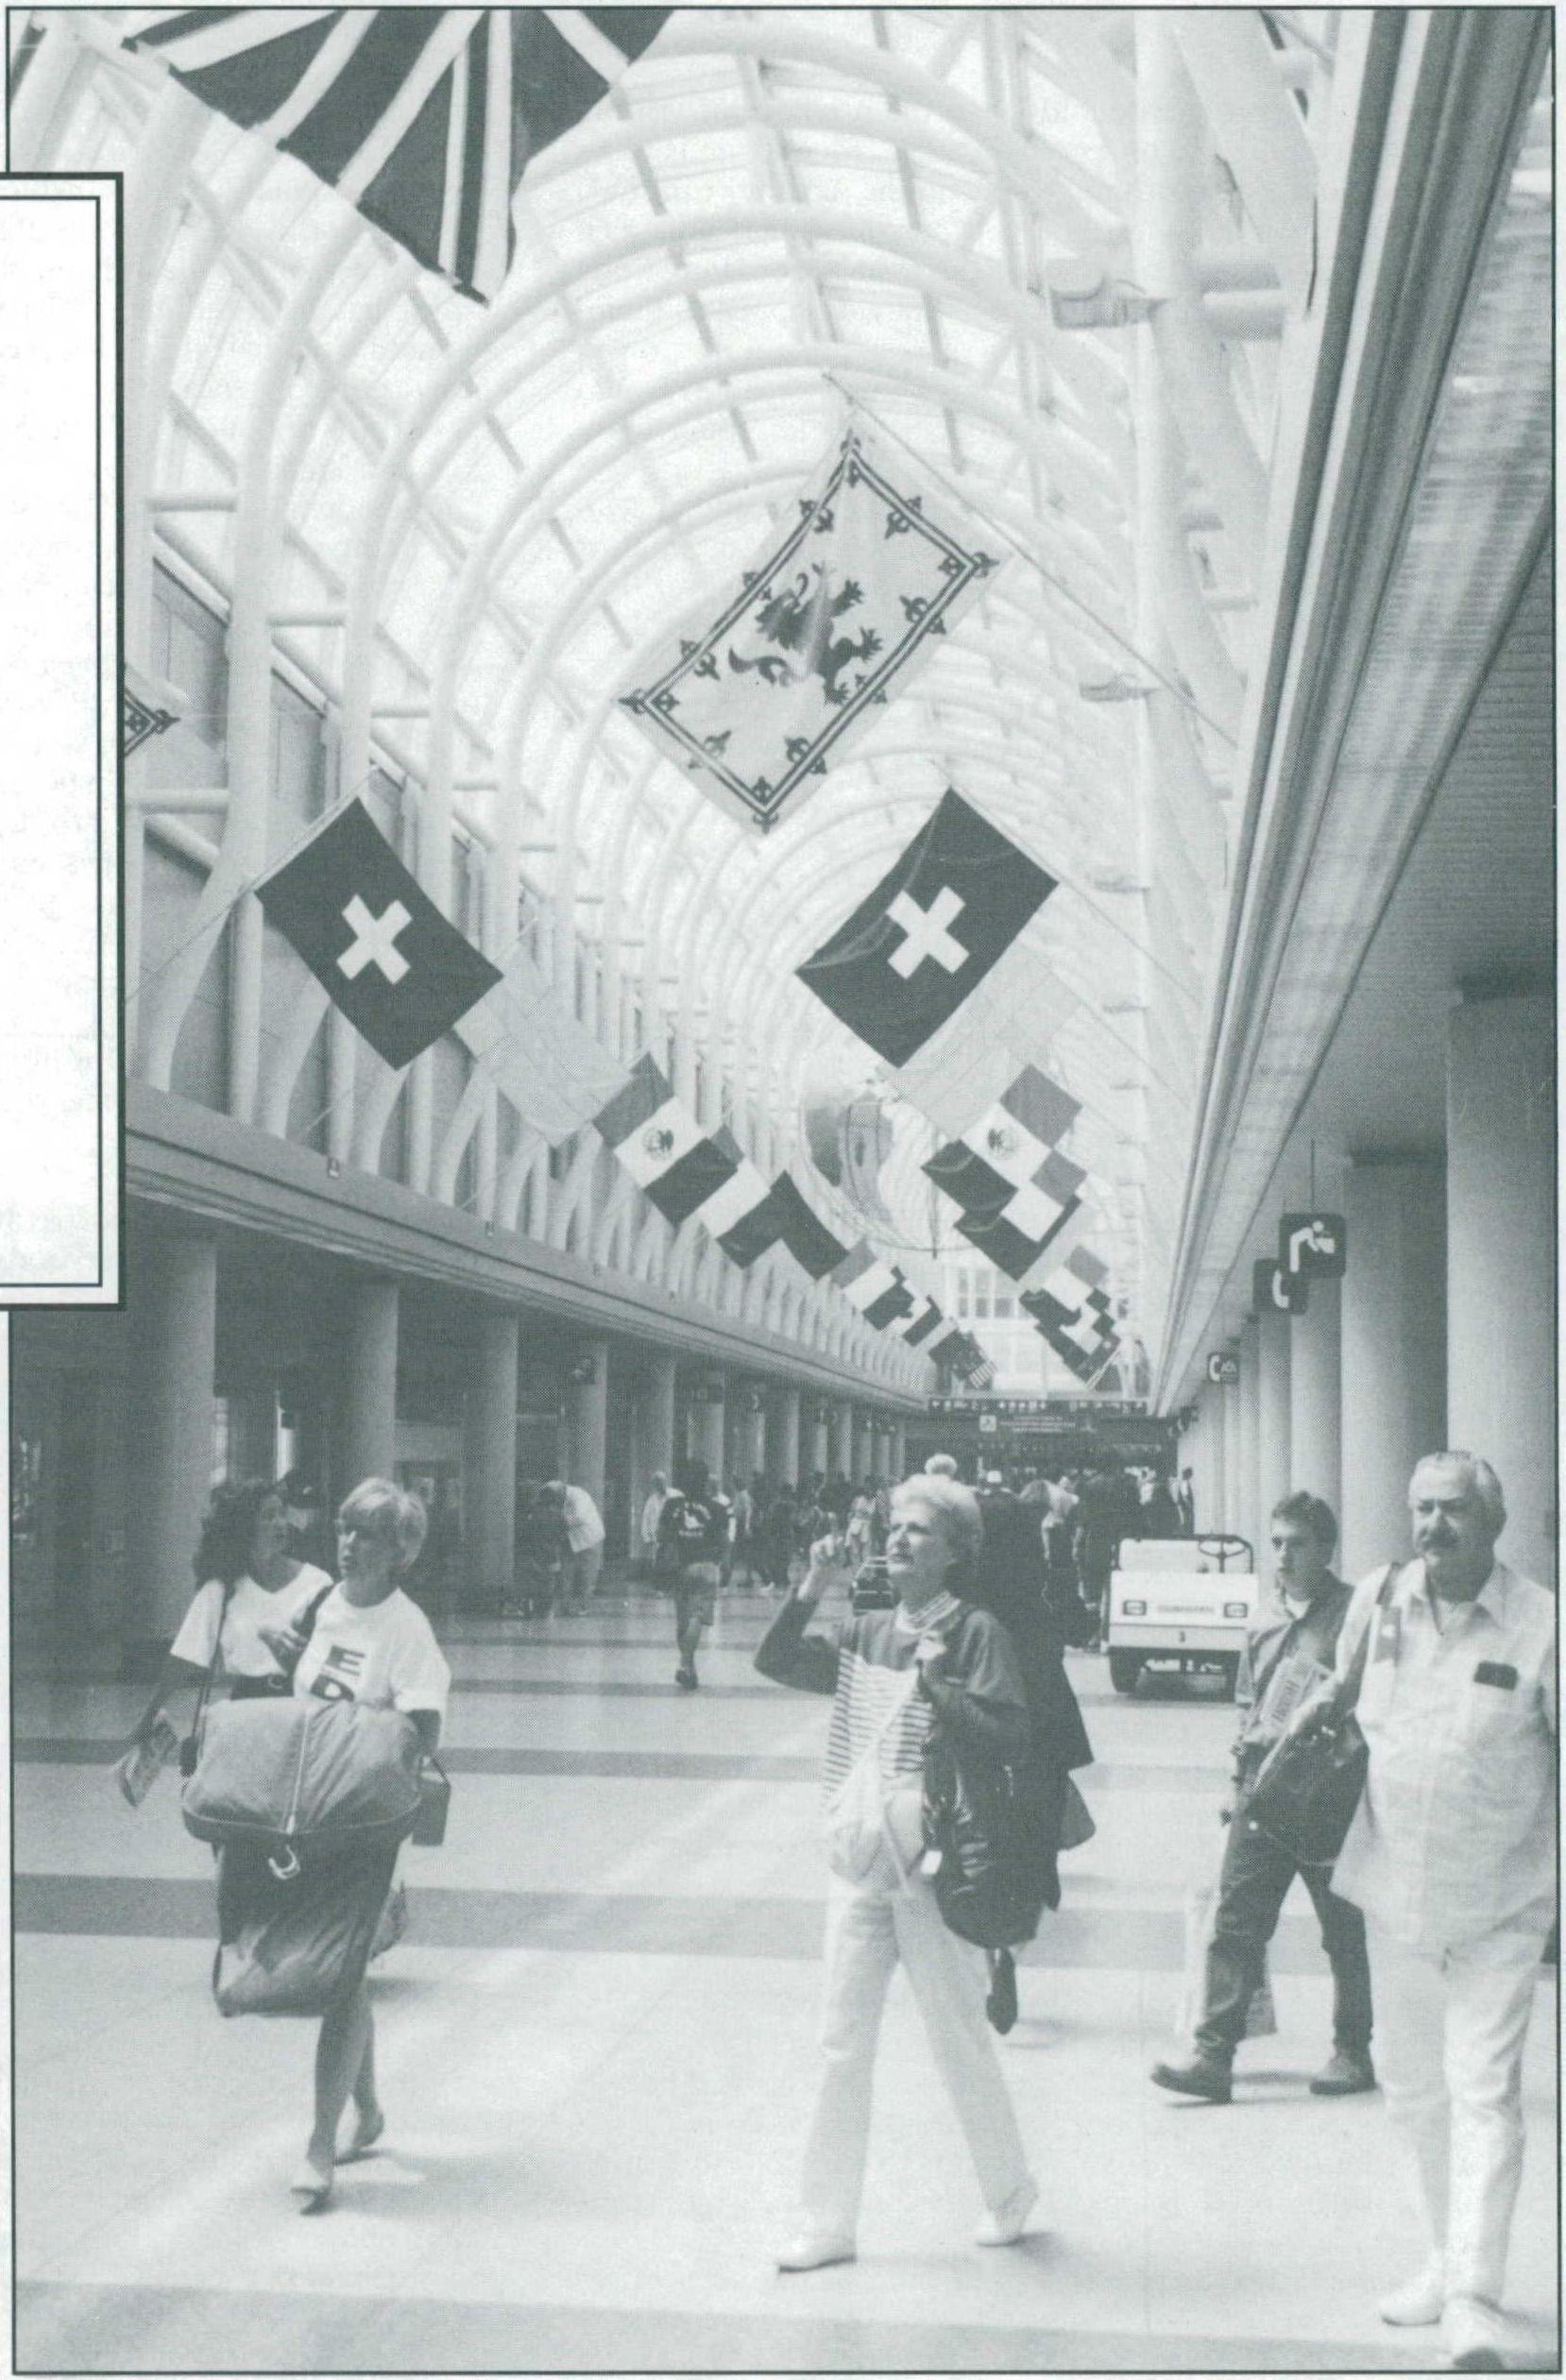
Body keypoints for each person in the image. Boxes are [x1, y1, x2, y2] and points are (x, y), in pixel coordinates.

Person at [755, 1473, 1038, 2270]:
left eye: (919, 1530)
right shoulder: (867, 1631)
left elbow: (1010, 1733)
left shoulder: (977, 1632)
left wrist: (935, 1688)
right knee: (840, 2040)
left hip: (934, 1862)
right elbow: (777, 1660)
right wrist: (813, 1585)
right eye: (895, 1528)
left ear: (955, 1552)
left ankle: (1009, 2189)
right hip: (860, 1855)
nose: (899, 1539)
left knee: (956, 2037)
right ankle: (827, 2221)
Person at [1326, 1454, 1555, 2371]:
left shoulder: (1542, 1625)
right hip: (1392, 1893)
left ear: (1493, 1522)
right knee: (1412, 2088)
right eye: (1421, 1509)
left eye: (1453, 1510)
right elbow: (1340, 1707)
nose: (1432, 1527)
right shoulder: (1377, 1602)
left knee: (1483, 2095)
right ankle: (1442, 2257)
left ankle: (1473, 2299)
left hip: (1501, 1903)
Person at [247, 1478, 451, 2213]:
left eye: (366, 1533)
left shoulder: (407, 1629)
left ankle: (318, 2145)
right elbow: (308, 1687)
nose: (348, 1543)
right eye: (344, 1528)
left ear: (400, 1551)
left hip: (364, 1824)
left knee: (340, 1974)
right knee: (347, 1974)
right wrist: (288, 1659)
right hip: (308, 1814)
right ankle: (367, 2110)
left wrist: (375, 1734)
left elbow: (423, 1732)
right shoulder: (321, 1604)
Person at [1150, 1492, 1374, 2106]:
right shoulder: (1262, 1620)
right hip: (1264, 1795)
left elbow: (1371, 1702)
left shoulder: (1354, 1616)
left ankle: (1353, 2049)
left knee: (1342, 1931)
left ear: (1326, 1549)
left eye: (1296, 1543)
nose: (1283, 1555)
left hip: (1328, 1797)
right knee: (1236, 1923)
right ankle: (1212, 2056)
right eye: (1276, 1542)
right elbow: (1247, 1706)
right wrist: (1236, 1785)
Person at [126, 1480, 333, 1753]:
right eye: (268, 1516)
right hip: (244, 1712)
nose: (280, 1523)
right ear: (244, 1526)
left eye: (282, 1513)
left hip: (301, 1708)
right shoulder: (222, 1589)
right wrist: (149, 1714)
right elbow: (184, 1656)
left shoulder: (317, 1583)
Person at [656, 1458, 728, 1690]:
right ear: (705, 1481)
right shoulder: (717, 1508)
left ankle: (689, 1668)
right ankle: (685, 1664)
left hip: (680, 1567)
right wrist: (725, 1566)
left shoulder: (671, 1505)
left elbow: (661, 1535)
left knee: (683, 1620)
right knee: (698, 1617)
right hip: (707, 1567)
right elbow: (724, 1542)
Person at [545, 1478, 605, 1614]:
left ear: (561, 1492)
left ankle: (583, 1606)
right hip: (570, 1540)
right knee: (565, 1574)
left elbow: (580, 1517)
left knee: (586, 1576)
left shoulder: (579, 1495)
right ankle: (565, 1607)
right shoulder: (561, 1497)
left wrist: (559, 1520)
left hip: (588, 1540)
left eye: (555, 1498)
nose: (554, 1502)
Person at [639, 1471, 670, 1573]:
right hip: (656, 1535)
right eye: (656, 1483)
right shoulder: (651, 1500)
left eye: (661, 1482)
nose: (659, 1485)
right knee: (657, 1561)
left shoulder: (673, 1496)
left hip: (670, 1535)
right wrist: (647, 1537)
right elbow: (646, 1519)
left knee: (669, 1561)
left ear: (665, 1482)